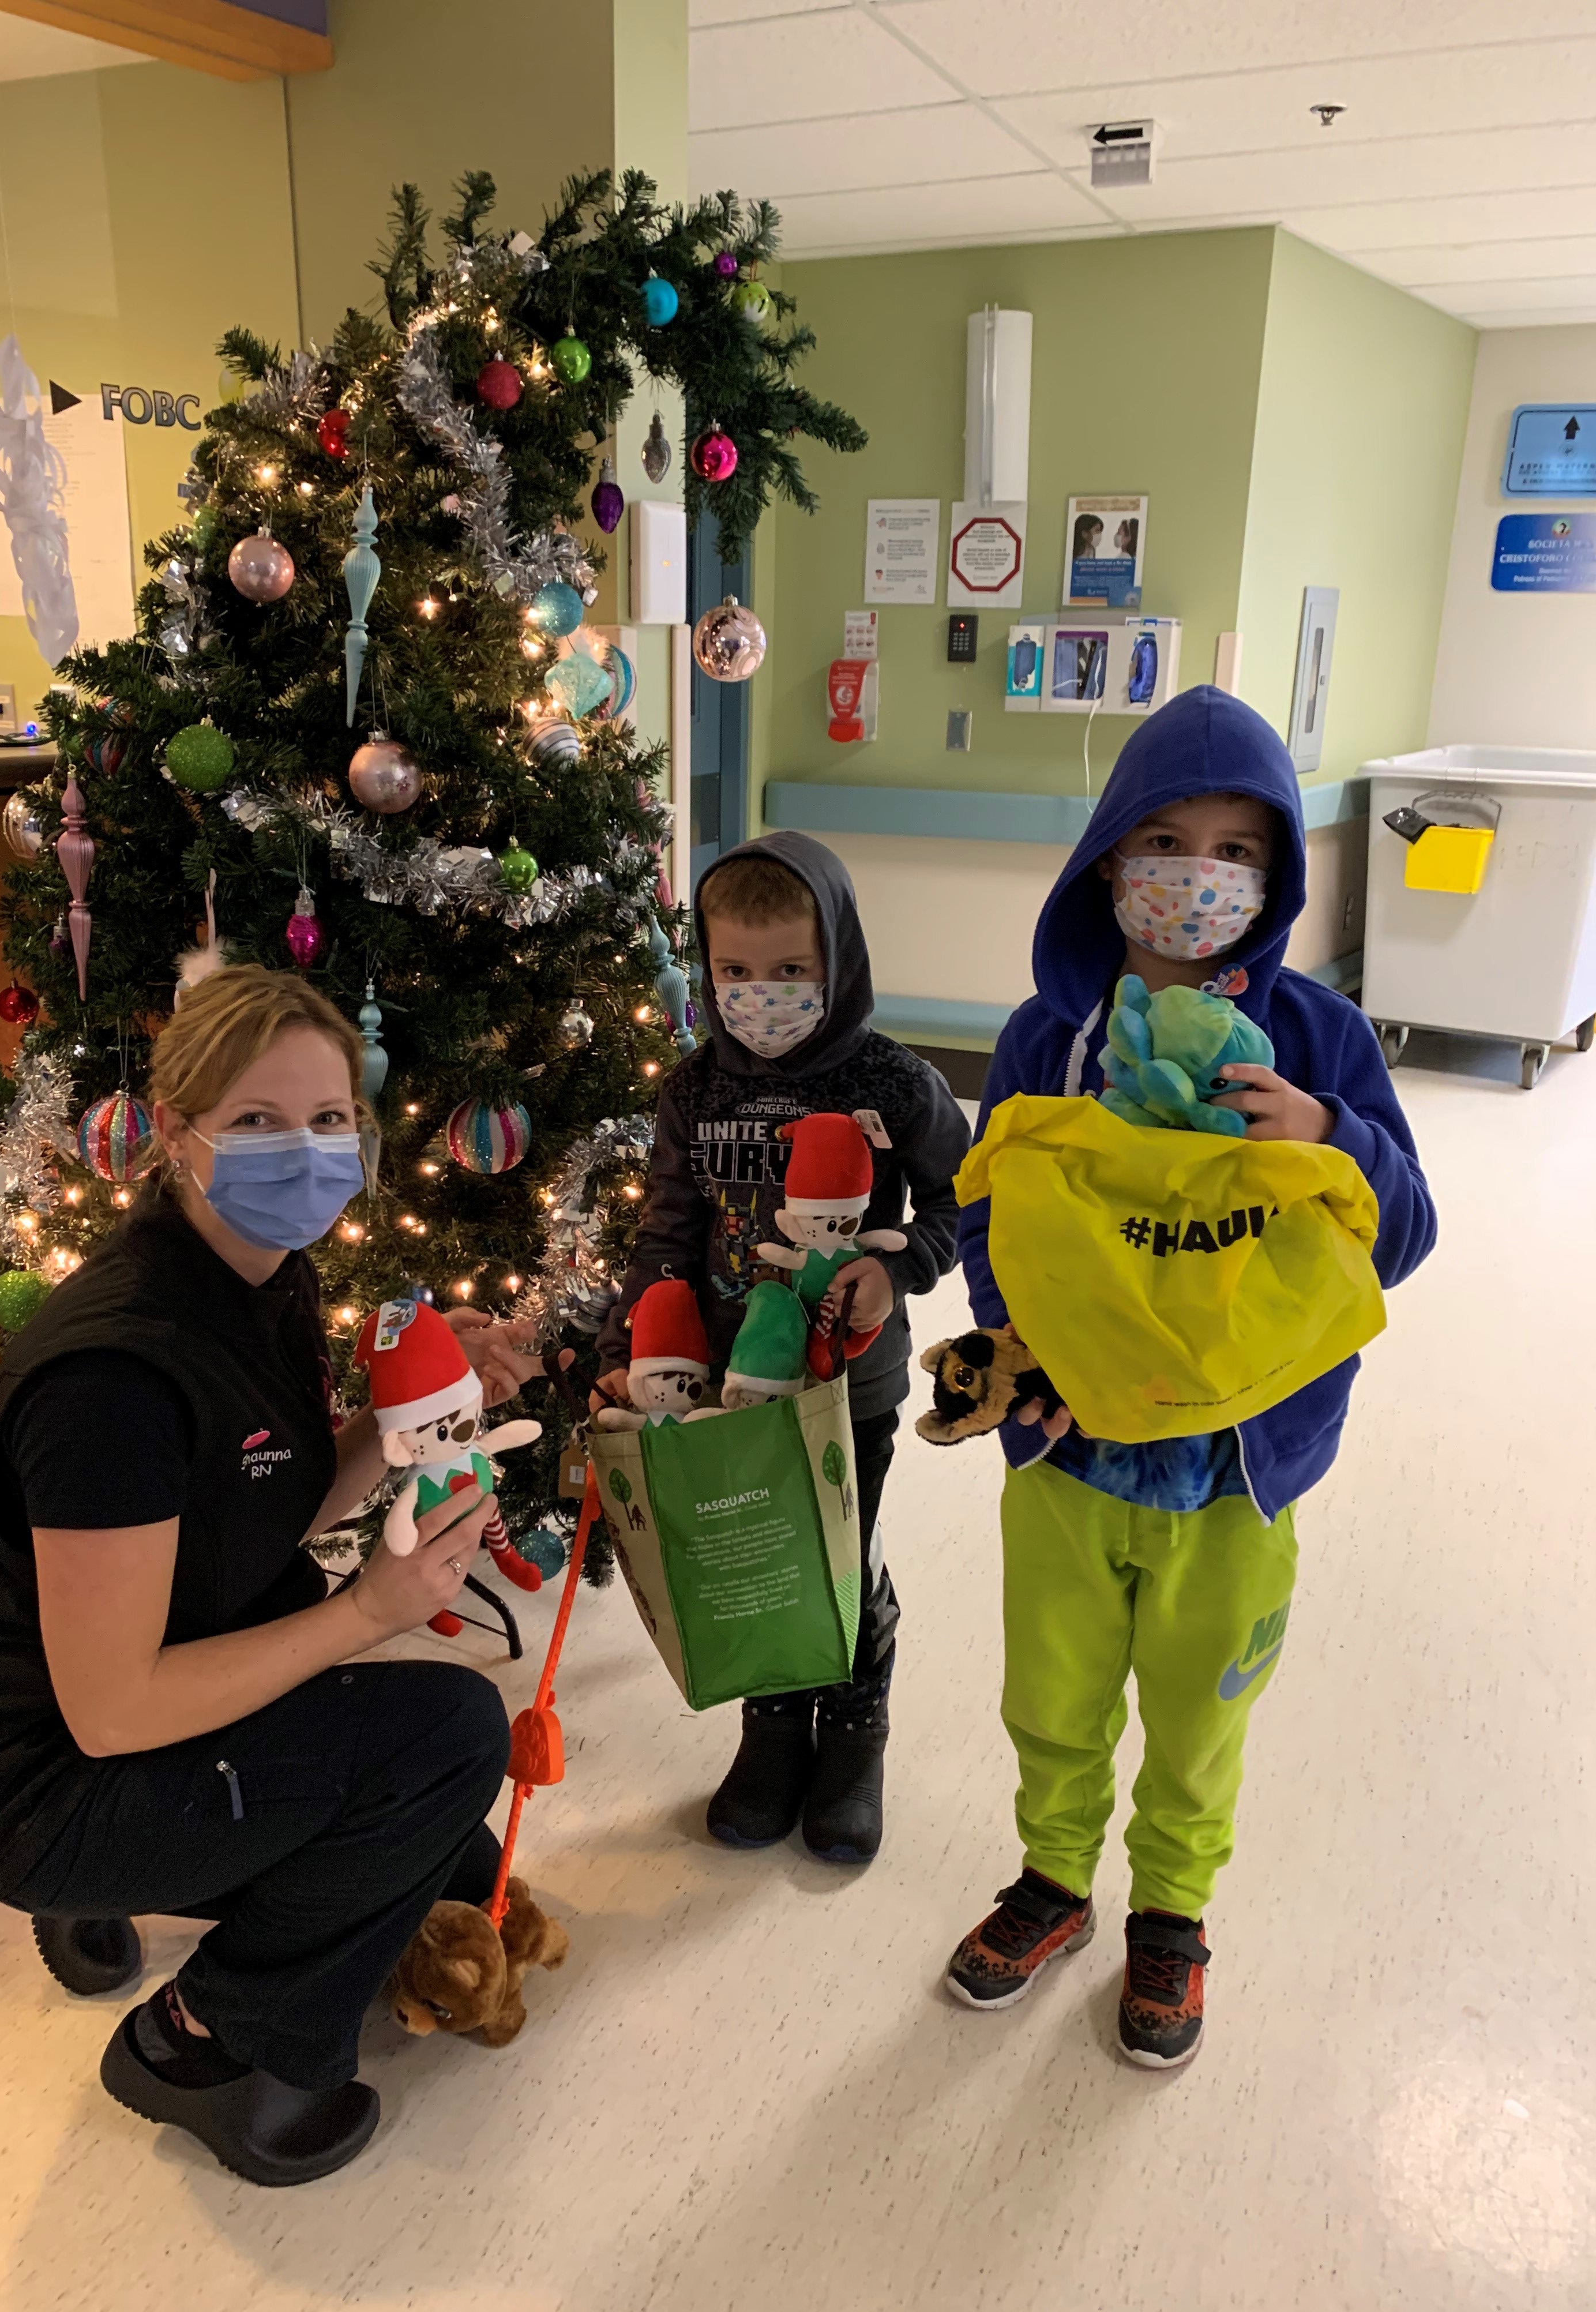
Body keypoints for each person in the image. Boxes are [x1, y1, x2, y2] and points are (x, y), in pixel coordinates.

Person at [0, 966, 546, 2185]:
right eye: (256, 1121)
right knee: (451, 1734)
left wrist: (401, 1414)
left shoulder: (261, 1274)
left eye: (329, 1122)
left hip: (130, 1693)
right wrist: (370, 1613)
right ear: (175, 1134)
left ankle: (194, 1889)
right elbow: (113, 1711)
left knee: (443, 1848)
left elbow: (252, 1520)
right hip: (47, 1773)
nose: (302, 1152)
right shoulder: (117, 1382)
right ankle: (205, 2045)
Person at [946, 686, 1435, 2067]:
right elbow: (992, 1215)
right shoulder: (1049, 1038)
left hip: (1239, 1469)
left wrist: (1331, 1137)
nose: (1197, 877)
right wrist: (1017, 1338)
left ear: (1275, 877)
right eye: (1167, 839)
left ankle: (1172, 1912)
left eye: (1236, 852)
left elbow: (1405, 1241)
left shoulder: (1326, 1041)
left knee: (1200, 1703)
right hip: (1066, 1450)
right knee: (1051, 1689)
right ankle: (1053, 1881)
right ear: (1110, 858)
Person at [592, 835, 970, 1864]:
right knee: (754, 1549)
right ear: (708, 971)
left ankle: (853, 1729)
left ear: (837, 962)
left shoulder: (894, 1083)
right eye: (737, 973)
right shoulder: (691, 1092)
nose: (762, 995)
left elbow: (959, 1199)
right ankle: (771, 1727)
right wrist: (639, 1341)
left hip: (855, 1376)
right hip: (726, 1379)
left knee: (844, 1550)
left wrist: (900, 1270)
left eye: (792, 971)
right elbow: (667, 1227)